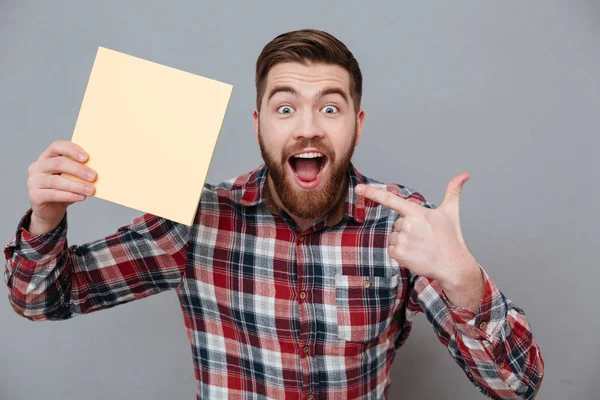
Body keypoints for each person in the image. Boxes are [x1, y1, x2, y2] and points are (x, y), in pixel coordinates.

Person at [4, 29, 544, 399]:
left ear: (357, 124)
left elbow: (516, 386)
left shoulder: (401, 226)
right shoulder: (195, 223)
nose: (307, 128)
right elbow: (39, 301)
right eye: (286, 108)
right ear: (259, 122)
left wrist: (466, 282)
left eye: (329, 108)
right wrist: (46, 218)